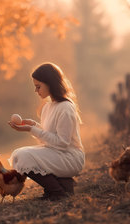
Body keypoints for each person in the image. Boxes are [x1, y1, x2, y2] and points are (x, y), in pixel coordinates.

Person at [8, 62, 85, 201]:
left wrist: (31, 129)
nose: (36, 90)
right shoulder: (48, 107)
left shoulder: (66, 108)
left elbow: (62, 142)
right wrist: (34, 125)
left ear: (50, 83)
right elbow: (48, 136)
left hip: (70, 157)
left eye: (38, 86)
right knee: (19, 155)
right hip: (57, 153)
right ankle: (62, 186)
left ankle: (58, 192)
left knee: (23, 155)